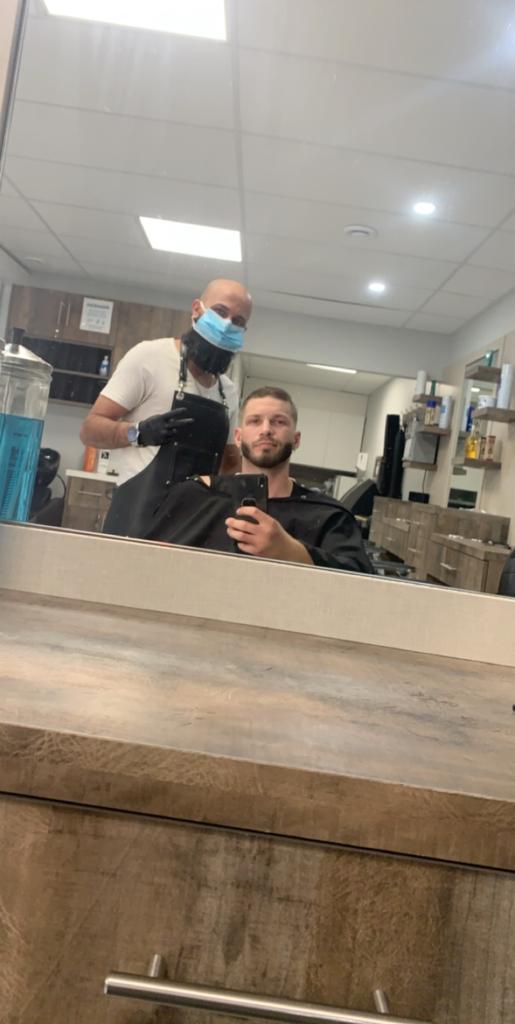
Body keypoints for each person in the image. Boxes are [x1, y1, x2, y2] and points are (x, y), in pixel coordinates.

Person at [79, 279, 252, 537]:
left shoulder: (227, 391)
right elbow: (89, 430)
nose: (227, 324)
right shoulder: (149, 357)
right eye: (220, 311)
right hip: (135, 522)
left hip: (194, 527)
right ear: (197, 309)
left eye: (238, 321)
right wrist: (138, 433)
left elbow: (229, 462)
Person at [142, 387, 374, 575]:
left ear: (296, 440)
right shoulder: (196, 496)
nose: (266, 430)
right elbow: (146, 564)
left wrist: (293, 552)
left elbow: (364, 585)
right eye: (255, 421)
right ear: (238, 437)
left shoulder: (328, 517)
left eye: (278, 422)